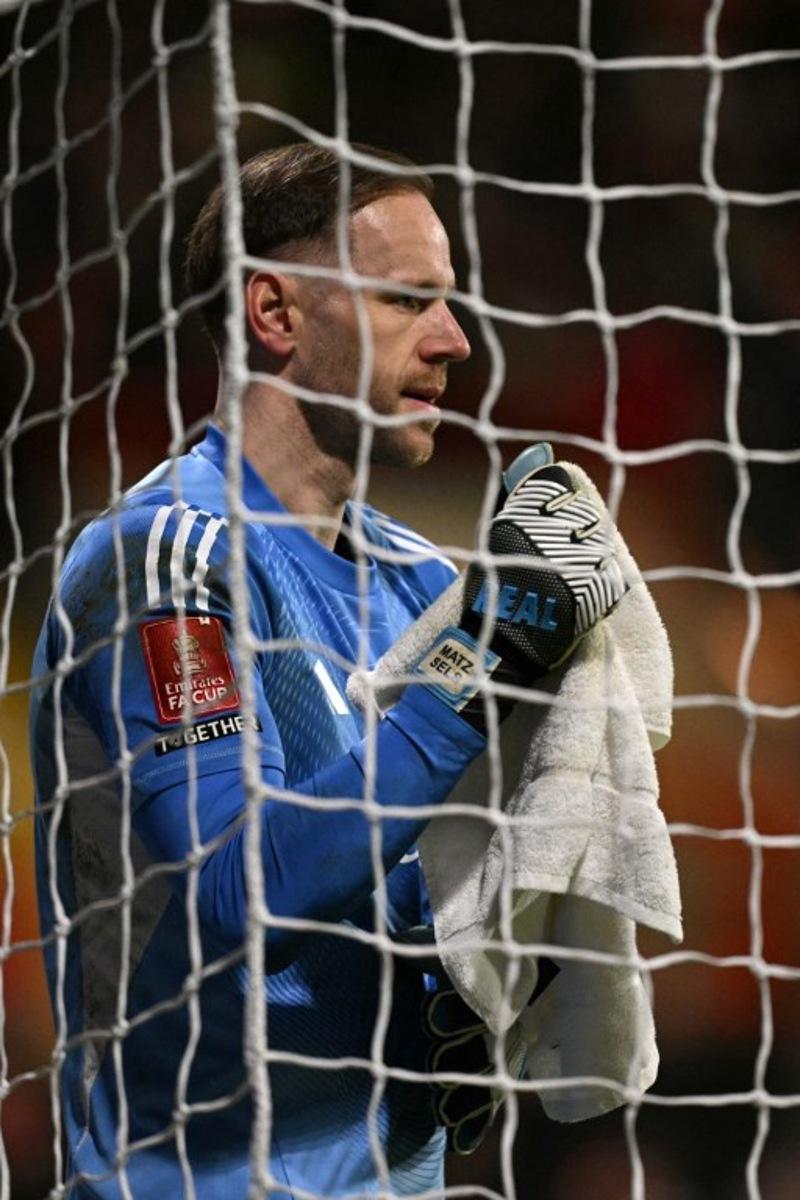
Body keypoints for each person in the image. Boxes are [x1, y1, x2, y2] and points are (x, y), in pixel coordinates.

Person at [30, 142, 625, 1199]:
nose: (453, 340)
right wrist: (474, 673)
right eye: (407, 300)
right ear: (276, 313)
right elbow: (233, 889)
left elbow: (466, 891)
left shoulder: (429, 583)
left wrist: (491, 972)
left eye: (447, 301)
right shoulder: (162, 561)